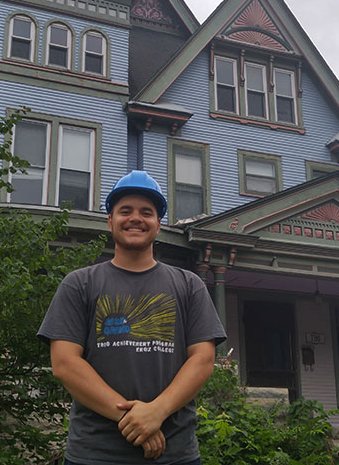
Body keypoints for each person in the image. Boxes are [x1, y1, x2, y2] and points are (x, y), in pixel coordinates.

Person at [38, 170, 226, 465]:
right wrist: (133, 418)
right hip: (94, 454)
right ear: (110, 220)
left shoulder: (189, 285)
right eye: (125, 211)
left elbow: (202, 359)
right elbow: (65, 364)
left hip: (175, 454)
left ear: (158, 223)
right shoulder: (79, 284)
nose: (135, 218)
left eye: (146, 212)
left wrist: (157, 412)